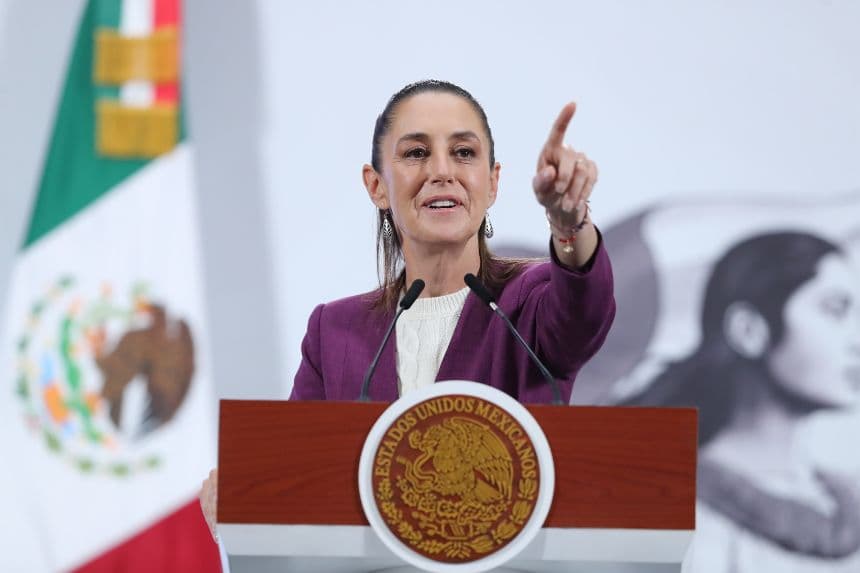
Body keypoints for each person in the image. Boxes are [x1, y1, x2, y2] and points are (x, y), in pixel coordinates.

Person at [199, 80, 616, 539]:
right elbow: (300, 482)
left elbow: (585, 310)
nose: (442, 171)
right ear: (376, 186)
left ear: (493, 182)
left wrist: (568, 220)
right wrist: (244, 508)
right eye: (416, 153)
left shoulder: (529, 301)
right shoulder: (333, 332)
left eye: (463, 153)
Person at [622, 231, 860, 572]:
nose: (856, 339)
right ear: (749, 330)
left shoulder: (843, 499)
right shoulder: (664, 508)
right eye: (836, 310)